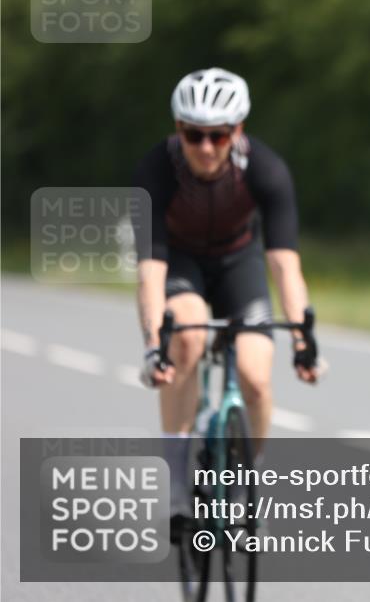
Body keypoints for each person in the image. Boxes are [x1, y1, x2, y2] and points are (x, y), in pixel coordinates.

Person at [133, 67, 321, 518]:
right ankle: (178, 483)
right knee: (187, 339)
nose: (204, 147)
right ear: (178, 129)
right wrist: (153, 346)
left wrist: (302, 340)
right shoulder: (156, 170)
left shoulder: (266, 169)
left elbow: (284, 263)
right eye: (193, 134)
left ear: (238, 130)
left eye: (217, 136)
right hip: (180, 264)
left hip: (239, 263)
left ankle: (245, 480)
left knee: (256, 376)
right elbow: (151, 271)